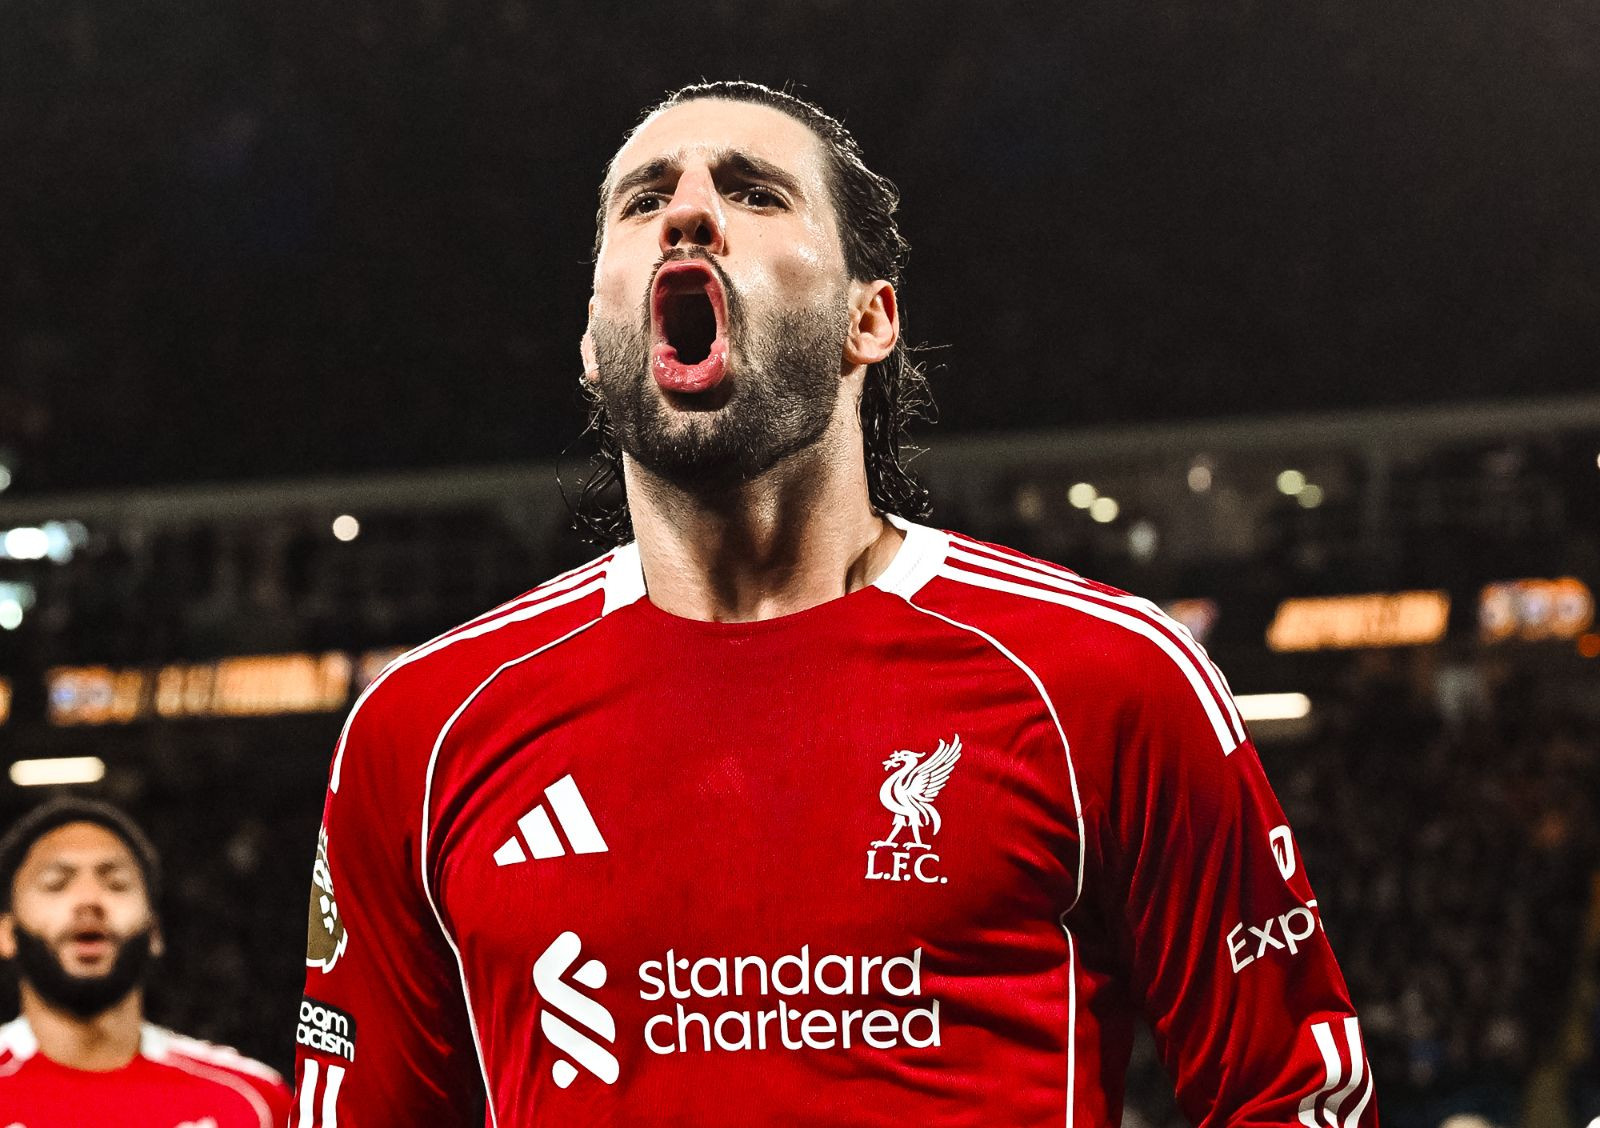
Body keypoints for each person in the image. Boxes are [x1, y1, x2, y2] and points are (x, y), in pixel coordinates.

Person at [294, 80, 1378, 1127]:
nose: (688, 214)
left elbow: (1288, 1097)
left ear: (870, 317)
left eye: (755, 191)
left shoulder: (1104, 678)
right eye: (644, 199)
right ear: (591, 340)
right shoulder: (421, 731)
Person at [0, 797, 292, 1127]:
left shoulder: (254, 1101)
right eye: (56, 884)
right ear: (7, 933)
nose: (89, 900)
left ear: (154, 932)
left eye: (116, 884)